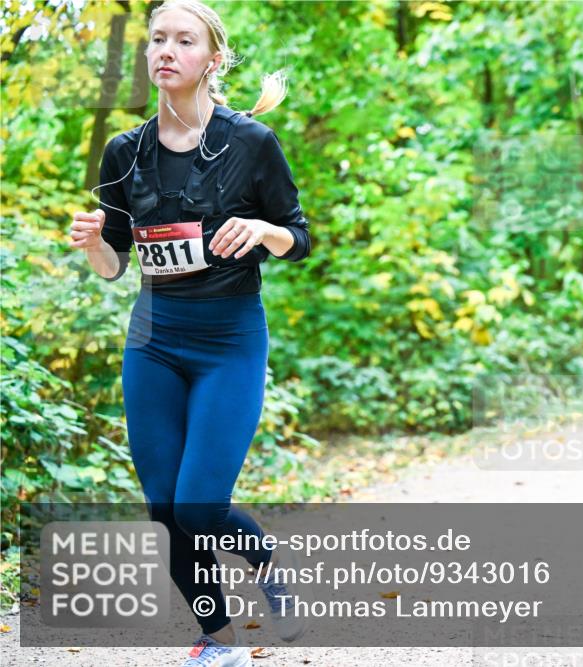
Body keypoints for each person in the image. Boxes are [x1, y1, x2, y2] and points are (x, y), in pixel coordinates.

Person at [68, 1, 312, 664]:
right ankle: (218, 640)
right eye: (156, 40)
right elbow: (115, 264)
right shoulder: (124, 152)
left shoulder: (251, 143)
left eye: (183, 40)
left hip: (229, 339)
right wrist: (93, 243)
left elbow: (302, 239)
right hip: (153, 340)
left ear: (212, 58)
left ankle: (266, 568)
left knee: (199, 505)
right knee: (162, 509)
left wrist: (264, 231)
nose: (165, 50)